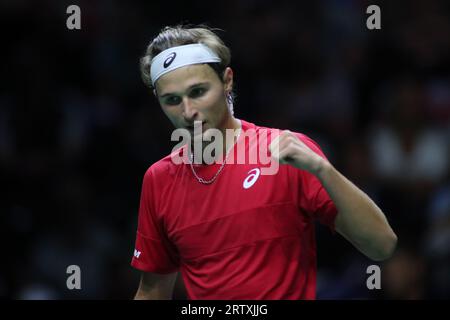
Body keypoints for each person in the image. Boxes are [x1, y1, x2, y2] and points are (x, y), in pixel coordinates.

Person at [131, 25, 397, 300]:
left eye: (198, 91)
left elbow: (381, 245)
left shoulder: (285, 152)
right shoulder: (159, 179)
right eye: (172, 100)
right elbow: (153, 292)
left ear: (227, 80)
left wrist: (323, 169)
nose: (188, 112)